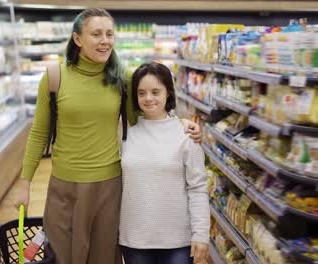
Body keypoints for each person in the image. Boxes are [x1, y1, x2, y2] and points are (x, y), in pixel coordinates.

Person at [14, 8, 202, 264]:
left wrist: (181, 125)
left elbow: (148, 118)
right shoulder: (55, 78)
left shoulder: (122, 81)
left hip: (108, 187)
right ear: (78, 39)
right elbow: (38, 133)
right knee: (61, 256)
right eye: (96, 34)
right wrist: (25, 182)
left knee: (103, 258)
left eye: (109, 34)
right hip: (63, 188)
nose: (105, 40)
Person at [119, 62, 210, 264]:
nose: (148, 98)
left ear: (168, 92)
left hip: (178, 241)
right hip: (135, 240)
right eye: (141, 93)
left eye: (155, 92)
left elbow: (198, 188)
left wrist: (201, 234)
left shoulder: (186, 135)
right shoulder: (125, 136)